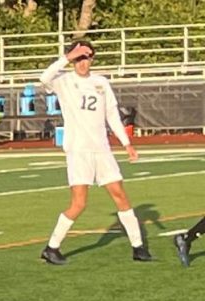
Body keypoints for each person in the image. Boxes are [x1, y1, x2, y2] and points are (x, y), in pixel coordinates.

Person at [38, 40, 149, 265]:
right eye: (78, 58)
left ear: (92, 59)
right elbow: (44, 78)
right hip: (79, 150)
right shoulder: (64, 81)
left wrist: (126, 143)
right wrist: (68, 57)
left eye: (86, 57)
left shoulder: (100, 83)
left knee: (120, 194)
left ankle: (138, 247)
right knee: (79, 203)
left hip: (102, 149)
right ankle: (51, 248)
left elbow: (111, 114)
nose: (82, 62)